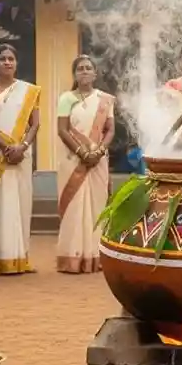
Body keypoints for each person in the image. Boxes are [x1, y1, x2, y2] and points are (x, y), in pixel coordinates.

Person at [0, 44, 40, 274]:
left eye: (11, 58)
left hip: (21, 153)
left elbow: (35, 124)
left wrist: (21, 147)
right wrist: (7, 147)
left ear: (16, 63)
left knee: (21, 202)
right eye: (2, 59)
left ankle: (21, 257)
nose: (7, 62)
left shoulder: (29, 91)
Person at [56, 55, 114, 273]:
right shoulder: (66, 98)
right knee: (73, 207)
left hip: (97, 160)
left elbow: (110, 130)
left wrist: (98, 151)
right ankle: (71, 257)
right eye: (80, 68)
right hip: (73, 161)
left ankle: (95, 256)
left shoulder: (105, 100)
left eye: (88, 68)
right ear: (75, 74)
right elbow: (62, 129)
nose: (84, 71)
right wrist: (82, 151)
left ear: (95, 74)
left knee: (97, 207)